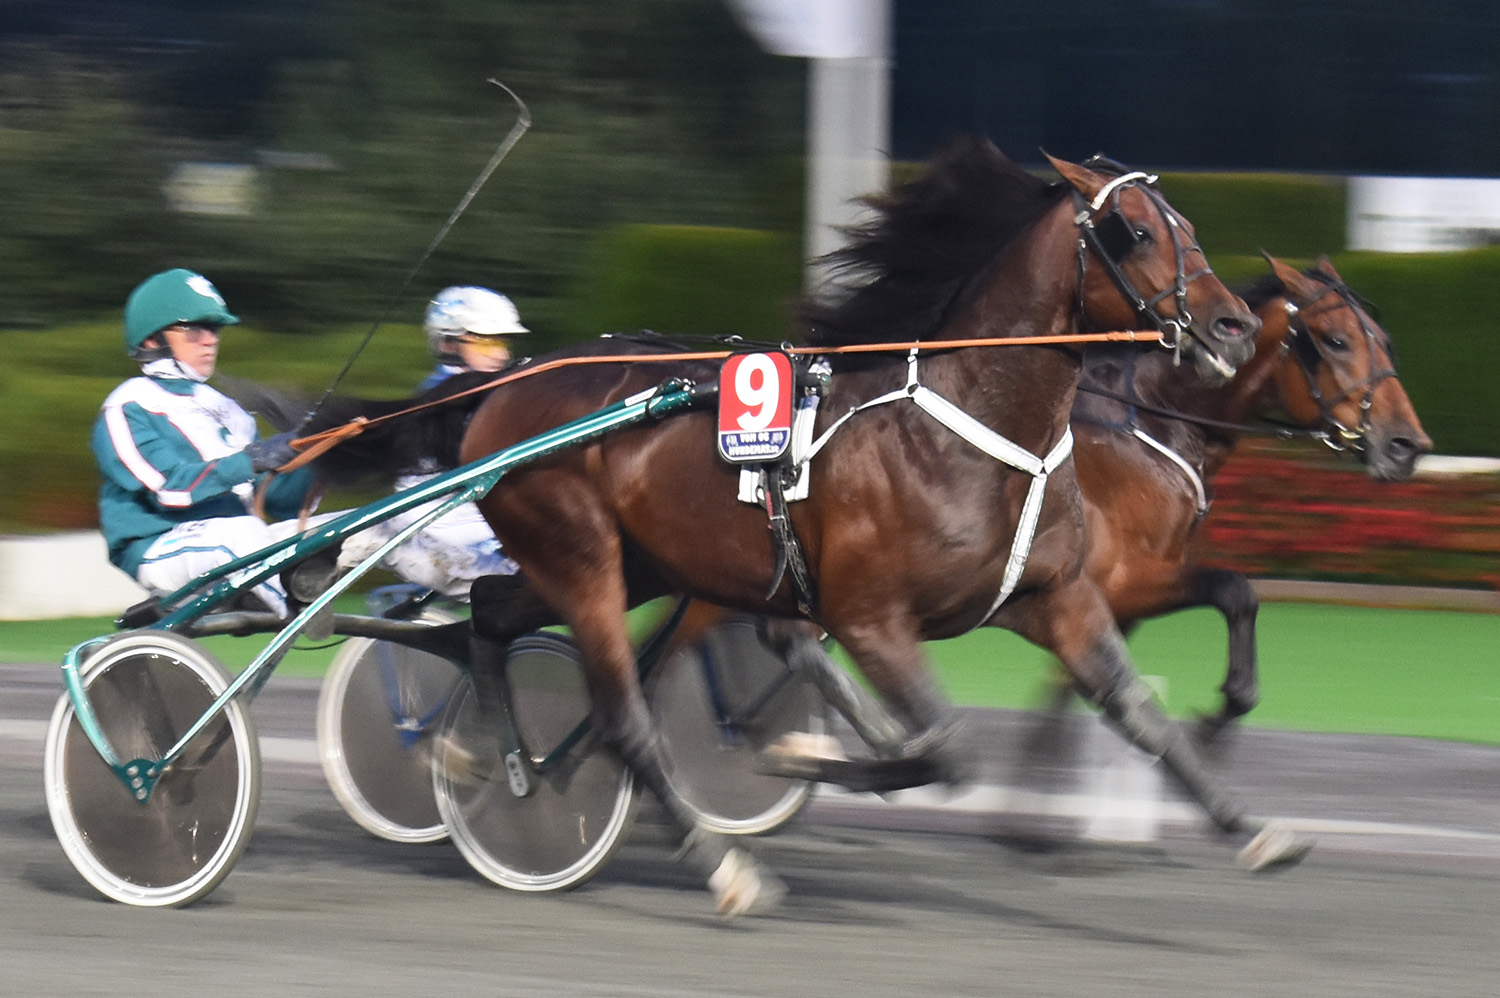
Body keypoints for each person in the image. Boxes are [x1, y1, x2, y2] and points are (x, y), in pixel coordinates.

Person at [94, 268, 318, 616]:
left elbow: (277, 499)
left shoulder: (230, 411)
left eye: (214, 329)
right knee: (243, 533)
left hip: (239, 540)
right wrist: (252, 459)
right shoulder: (126, 407)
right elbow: (170, 488)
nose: (210, 339)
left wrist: (316, 450)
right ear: (153, 339)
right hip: (159, 546)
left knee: (355, 528)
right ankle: (304, 615)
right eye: (194, 328)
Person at [334, 286, 525, 598]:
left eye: (503, 341)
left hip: (485, 538)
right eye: (488, 341)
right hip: (449, 547)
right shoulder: (442, 404)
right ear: (449, 343)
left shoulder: (489, 396)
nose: (501, 353)